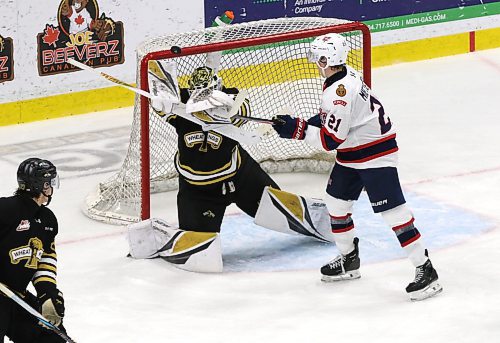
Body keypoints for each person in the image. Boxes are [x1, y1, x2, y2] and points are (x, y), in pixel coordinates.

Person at [272, 33, 443, 301]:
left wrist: (297, 130)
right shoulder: (344, 77)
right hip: (354, 152)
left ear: (327, 58)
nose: (315, 60)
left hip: (375, 154)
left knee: (393, 213)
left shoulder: (338, 93)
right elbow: (334, 121)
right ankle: (348, 259)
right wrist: (300, 123)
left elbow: (330, 140)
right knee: (336, 203)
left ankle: (426, 269)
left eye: (318, 56)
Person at [150, 65, 281, 234]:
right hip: (197, 188)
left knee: (279, 213)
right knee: (198, 247)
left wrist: (220, 108)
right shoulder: (181, 103)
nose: (200, 98)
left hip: (241, 176)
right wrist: (159, 97)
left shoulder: (230, 98)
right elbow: (159, 102)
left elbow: (243, 107)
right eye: (196, 93)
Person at [0, 158, 66, 342]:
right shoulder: (6, 209)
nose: (52, 187)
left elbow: (45, 257)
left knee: (52, 338)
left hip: (16, 295)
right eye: (49, 183)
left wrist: (47, 292)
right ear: (39, 185)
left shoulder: (47, 221)